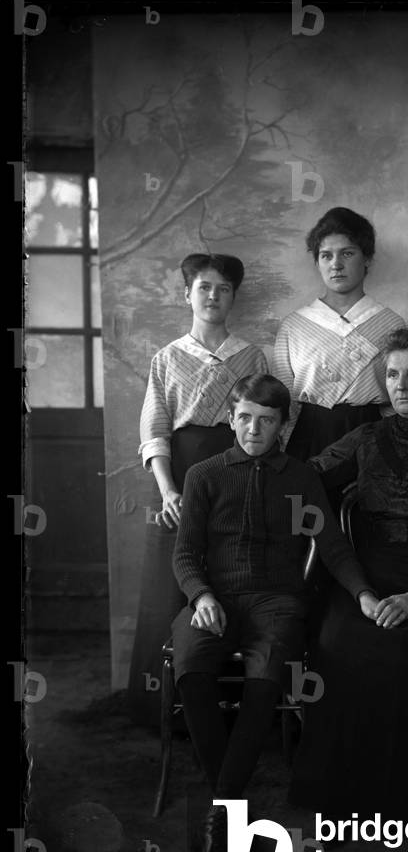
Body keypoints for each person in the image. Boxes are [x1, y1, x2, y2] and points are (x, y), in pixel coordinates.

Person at [171, 373, 376, 852]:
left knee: (264, 684)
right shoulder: (204, 474)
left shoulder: (300, 477)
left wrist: (364, 593)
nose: (253, 430)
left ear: (283, 426)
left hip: (277, 604)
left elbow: (331, 546)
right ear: (231, 418)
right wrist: (201, 596)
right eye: (244, 418)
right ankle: (234, 810)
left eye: (266, 421)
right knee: (193, 673)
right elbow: (185, 554)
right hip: (213, 602)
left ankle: (222, 817)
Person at [289, 326, 408, 822]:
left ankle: (403, 807)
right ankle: (333, 805)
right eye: (392, 373)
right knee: (335, 643)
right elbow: (306, 474)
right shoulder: (367, 436)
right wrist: (238, 469)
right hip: (364, 577)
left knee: (398, 650)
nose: (400, 384)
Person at [127, 253, 267, 727]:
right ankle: (166, 708)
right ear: (187, 293)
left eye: (223, 289)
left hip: (232, 472)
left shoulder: (250, 356)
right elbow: (156, 429)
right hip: (180, 474)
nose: (213, 296)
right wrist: (167, 491)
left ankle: (225, 703)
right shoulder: (166, 358)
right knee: (174, 578)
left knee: (229, 570)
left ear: (233, 297)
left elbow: (258, 427)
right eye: (204, 287)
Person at [272, 207, 405, 461]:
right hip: (309, 436)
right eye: (326, 255)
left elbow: (399, 396)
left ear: (366, 258)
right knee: (308, 500)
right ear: (317, 261)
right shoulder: (294, 326)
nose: (336, 265)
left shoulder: (391, 323)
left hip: (372, 436)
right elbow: (283, 400)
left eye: (347, 253)